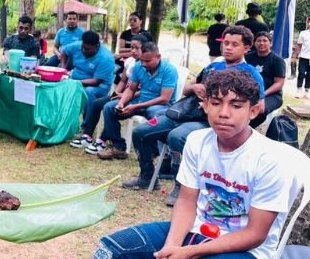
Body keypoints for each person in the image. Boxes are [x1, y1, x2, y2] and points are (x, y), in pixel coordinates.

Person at [95, 70, 295, 259]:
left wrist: (190, 252)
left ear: (254, 111)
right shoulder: (197, 141)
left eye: (236, 105)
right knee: (110, 250)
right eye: (216, 103)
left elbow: (255, 234)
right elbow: (186, 202)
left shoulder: (271, 159)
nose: (224, 113)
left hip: (245, 249)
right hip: (195, 229)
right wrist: (172, 246)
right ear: (205, 105)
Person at [126, 26, 265, 207]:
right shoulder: (213, 66)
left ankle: (182, 185)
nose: (228, 48)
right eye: (226, 43)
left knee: (177, 136)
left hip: (209, 121)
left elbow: (259, 107)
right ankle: (146, 176)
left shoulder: (250, 74)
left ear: (246, 48)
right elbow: (185, 89)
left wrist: (224, 106)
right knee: (142, 131)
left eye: (234, 44)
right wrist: (195, 87)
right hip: (185, 112)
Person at [96, 41, 179, 160]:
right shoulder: (138, 67)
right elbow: (131, 89)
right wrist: (121, 103)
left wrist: (135, 107)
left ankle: (155, 153)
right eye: (142, 60)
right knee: (109, 108)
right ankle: (118, 147)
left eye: (148, 61)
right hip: (140, 102)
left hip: (160, 106)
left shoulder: (169, 70)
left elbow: (164, 99)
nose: (144, 64)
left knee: (155, 113)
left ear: (158, 57)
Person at [69, 34, 149, 151]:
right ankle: (87, 135)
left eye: (137, 48)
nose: (133, 51)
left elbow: (144, 90)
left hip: (135, 98)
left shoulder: (146, 65)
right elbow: (123, 80)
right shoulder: (130, 61)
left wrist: (123, 97)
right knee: (97, 103)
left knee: (110, 108)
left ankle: (102, 140)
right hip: (124, 95)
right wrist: (116, 93)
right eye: (131, 48)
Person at [60, 31, 116, 130]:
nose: (84, 51)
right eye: (83, 47)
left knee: (89, 92)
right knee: (60, 85)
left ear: (97, 46)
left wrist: (75, 82)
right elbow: (64, 51)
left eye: (88, 49)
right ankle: (62, 121)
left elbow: (96, 81)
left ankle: (87, 126)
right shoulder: (78, 46)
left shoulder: (106, 58)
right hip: (76, 78)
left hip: (100, 86)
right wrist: (63, 69)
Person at [245, 32, 285, 128]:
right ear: (254, 43)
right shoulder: (248, 57)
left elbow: (279, 83)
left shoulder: (277, 60)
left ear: (270, 43)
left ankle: (248, 128)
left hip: (271, 95)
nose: (261, 43)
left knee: (259, 109)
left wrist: (263, 94)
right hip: (249, 92)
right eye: (258, 41)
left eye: (265, 41)